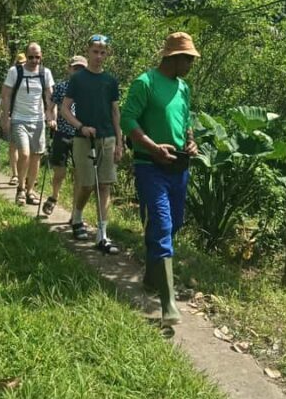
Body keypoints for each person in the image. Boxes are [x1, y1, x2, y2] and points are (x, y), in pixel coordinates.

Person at [121, 32, 200, 328]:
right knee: (163, 224)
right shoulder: (146, 83)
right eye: (188, 59)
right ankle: (168, 304)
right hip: (149, 166)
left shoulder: (183, 88)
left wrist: (191, 142)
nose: (191, 64)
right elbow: (129, 120)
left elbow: (186, 121)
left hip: (178, 167)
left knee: (173, 224)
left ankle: (151, 278)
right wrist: (153, 147)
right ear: (173, 57)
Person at [61, 34, 122, 254]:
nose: (98, 56)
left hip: (107, 137)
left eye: (102, 52)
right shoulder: (78, 79)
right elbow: (65, 109)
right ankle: (77, 216)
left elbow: (115, 112)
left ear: (107, 54)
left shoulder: (111, 81)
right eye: (95, 51)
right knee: (87, 184)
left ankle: (102, 235)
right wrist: (80, 126)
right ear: (88, 52)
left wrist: (119, 142)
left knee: (104, 185)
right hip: (83, 138)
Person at [1, 42, 56, 206]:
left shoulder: (45, 73)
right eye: (31, 57)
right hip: (19, 119)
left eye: (37, 57)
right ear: (26, 56)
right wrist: (5, 117)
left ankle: (30, 190)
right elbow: (5, 95)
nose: (34, 60)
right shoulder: (15, 71)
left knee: (36, 156)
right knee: (24, 154)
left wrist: (51, 117)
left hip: (38, 120)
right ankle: (21, 189)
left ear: (41, 57)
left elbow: (50, 97)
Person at [41, 55, 88, 217]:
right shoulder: (61, 87)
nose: (78, 72)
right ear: (69, 69)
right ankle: (54, 196)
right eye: (75, 68)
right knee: (60, 172)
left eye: (81, 69)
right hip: (62, 133)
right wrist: (51, 119)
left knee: (79, 174)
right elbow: (50, 107)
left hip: (81, 136)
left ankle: (75, 212)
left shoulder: (90, 89)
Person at [9, 52, 27, 185]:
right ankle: (15, 174)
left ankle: (25, 176)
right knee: (14, 146)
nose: (22, 66)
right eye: (19, 63)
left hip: (30, 117)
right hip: (14, 114)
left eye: (23, 63)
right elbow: (6, 96)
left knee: (28, 150)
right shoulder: (13, 75)